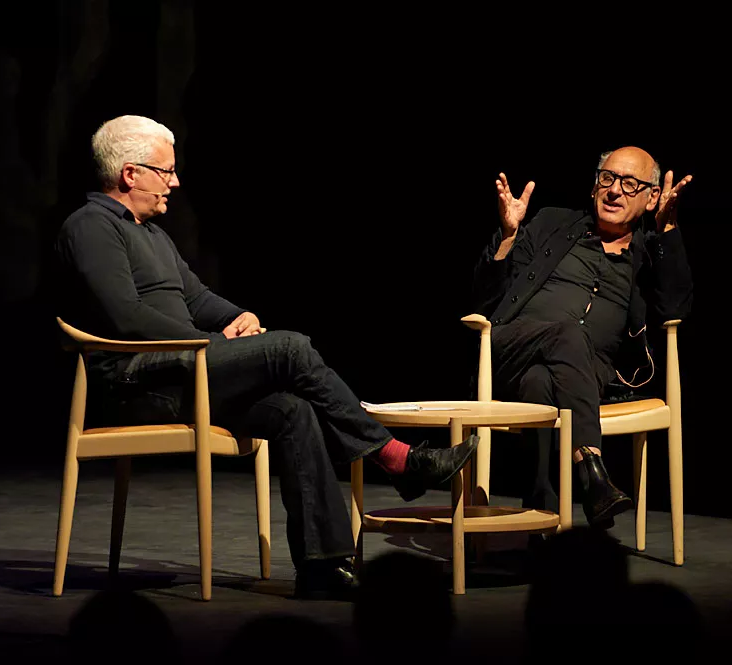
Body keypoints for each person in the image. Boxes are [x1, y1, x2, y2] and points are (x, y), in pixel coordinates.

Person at [54, 115, 478, 600]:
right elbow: (126, 316)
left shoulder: (153, 235)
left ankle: (323, 566)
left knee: (293, 411)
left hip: (186, 372)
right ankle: (395, 458)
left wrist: (239, 316)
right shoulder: (90, 227)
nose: (175, 181)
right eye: (165, 171)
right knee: (290, 347)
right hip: (137, 384)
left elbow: (197, 298)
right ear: (130, 174)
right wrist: (210, 343)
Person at [471, 146, 693, 529]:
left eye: (630, 183)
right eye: (608, 178)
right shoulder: (551, 223)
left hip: (590, 372)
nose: (615, 191)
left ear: (651, 197)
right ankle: (592, 471)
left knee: (540, 381)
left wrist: (667, 231)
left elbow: (675, 306)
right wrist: (508, 237)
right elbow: (484, 297)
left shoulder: (646, 253)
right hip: (511, 348)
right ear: (594, 185)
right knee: (566, 334)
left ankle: (541, 515)